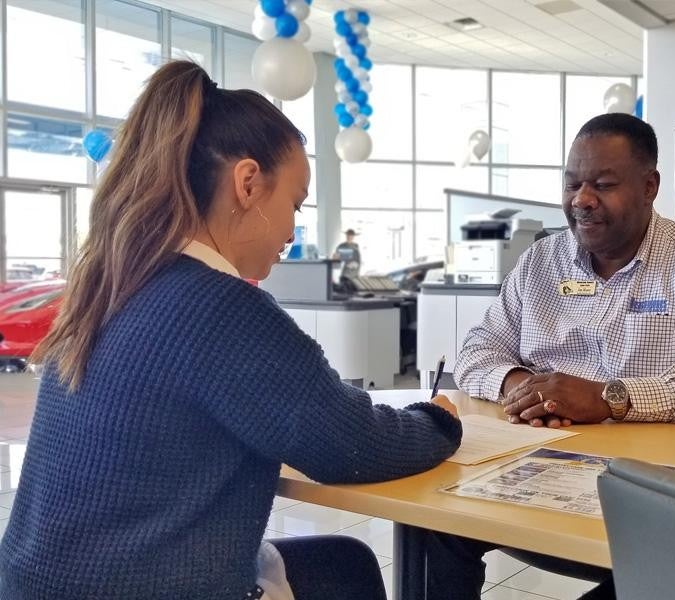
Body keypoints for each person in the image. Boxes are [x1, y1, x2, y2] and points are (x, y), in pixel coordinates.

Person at [0, 61, 462, 600]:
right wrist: (439, 420)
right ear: (247, 183)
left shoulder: (113, 286)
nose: (292, 229)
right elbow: (352, 445)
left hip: (37, 582)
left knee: (342, 565)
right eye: (293, 203)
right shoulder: (220, 309)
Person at [424, 113, 675, 599]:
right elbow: (476, 351)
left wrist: (612, 398)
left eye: (603, 184)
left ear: (650, 185)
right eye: (572, 183)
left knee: (668, 566)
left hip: (654, 487)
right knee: (432, 524)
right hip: (539, 469)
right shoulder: (541, 262)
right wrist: (524, 387)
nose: (581, 200)